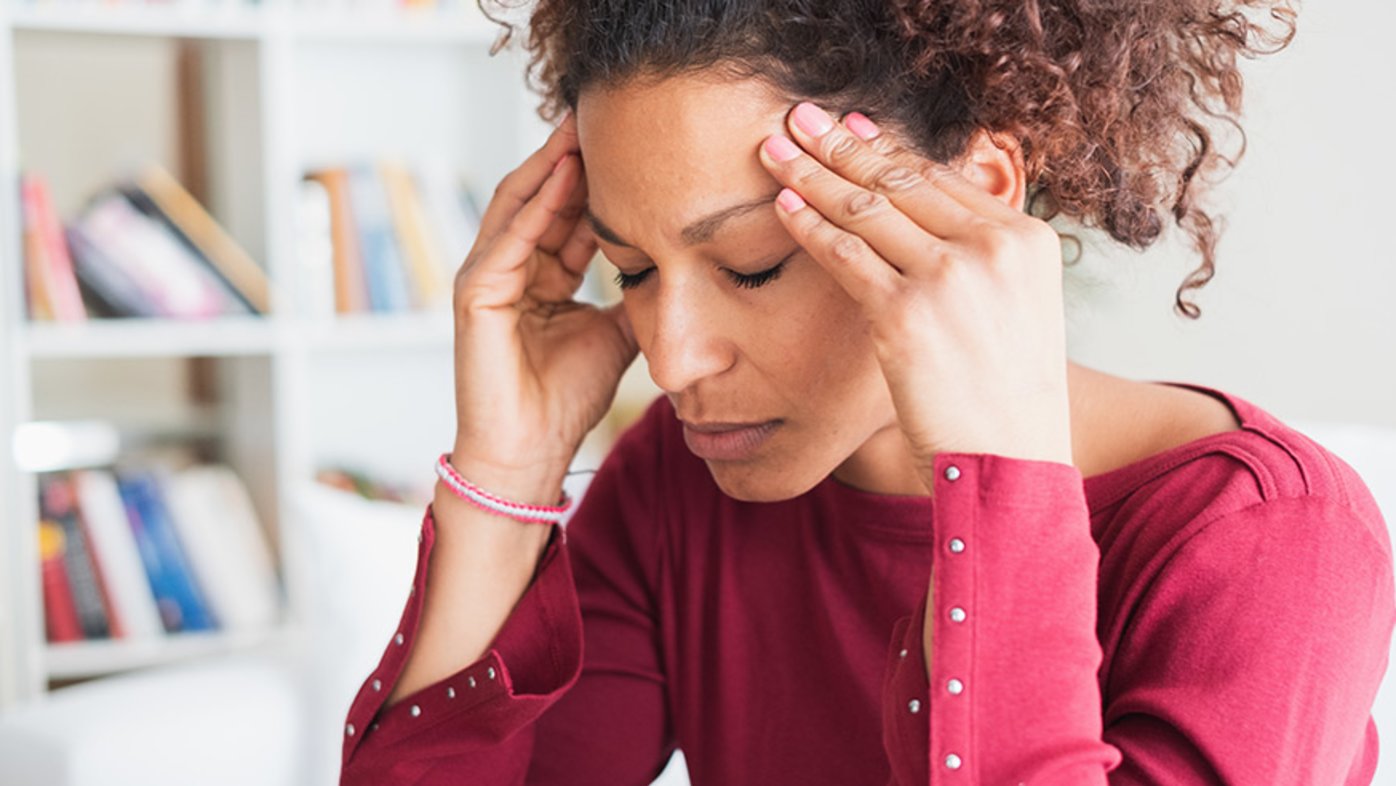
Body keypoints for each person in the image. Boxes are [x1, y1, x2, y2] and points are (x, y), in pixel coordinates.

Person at [340, 1, 1395, 783]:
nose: (671, 360)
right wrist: (501, 480)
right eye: (635, 271)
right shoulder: (680, 478)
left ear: (975, 200)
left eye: (752, 264)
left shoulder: (1261, 537)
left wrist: (999, 487)